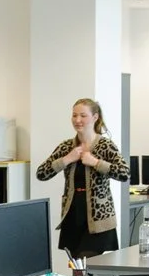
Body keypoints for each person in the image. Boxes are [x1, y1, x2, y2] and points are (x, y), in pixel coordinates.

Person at [36, 98, 131, 262]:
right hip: (73, 216)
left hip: (98, 219)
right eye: (74, 115)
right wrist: (67, 159)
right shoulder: (67, 146)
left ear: (95, 117)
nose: (77, 120)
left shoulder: (105, 145)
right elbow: (41, 174)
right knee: (77, 268)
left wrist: (96, 162)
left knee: (86, 264)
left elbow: (124, 173)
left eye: (83, 115)